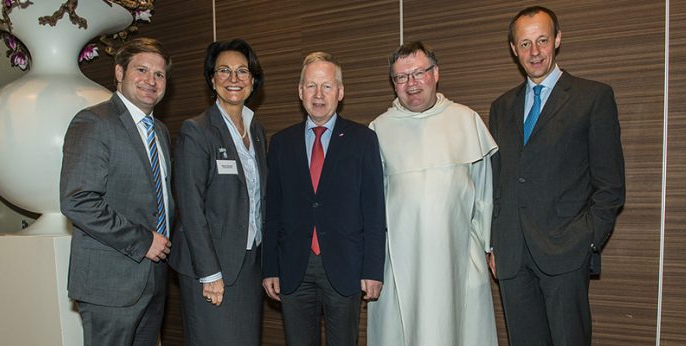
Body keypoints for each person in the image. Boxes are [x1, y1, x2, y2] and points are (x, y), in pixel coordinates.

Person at [488, 6, 626, 346]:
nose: (534, 52)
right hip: (512, 256)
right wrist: (494, 243)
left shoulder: (592, 97)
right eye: (524, 44)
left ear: (558, 40)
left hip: (566, 252)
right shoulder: (501, 106)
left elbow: (610, 186)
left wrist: (588, 239)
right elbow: (496, 181)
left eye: (542, 40)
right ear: (513, 49)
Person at [366, 41, 499, 346]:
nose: (411, 84)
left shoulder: (465, 119)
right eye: (401, 77)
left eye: (418, 73)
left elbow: (484, 194)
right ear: (393, 83)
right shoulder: (379, 129)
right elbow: (371, 206)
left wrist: (486, 246)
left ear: (436, 73)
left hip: (459, 260)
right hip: (400, 264)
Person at [262, 52, 386, 346]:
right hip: (294, 267)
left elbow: (374, 209)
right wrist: (270, 267)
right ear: (300, 91)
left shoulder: (363, 139)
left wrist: (373, 269)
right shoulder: (281, 142)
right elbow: (272, 209)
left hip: (345, 266)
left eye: (327, 86)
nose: (319, 95)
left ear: (340, 92)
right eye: (311, 86)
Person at [60, 37, 173, 345]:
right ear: (120, 73)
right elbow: (78, 200)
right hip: (109, 284)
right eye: (142, 70)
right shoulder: (94, 122)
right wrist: (143, 240)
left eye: (159, 74)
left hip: (153, 278)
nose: (151, 80)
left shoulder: (159, 131)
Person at [167, 39, 266, 345]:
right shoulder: (196, 131)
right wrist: (209, 273)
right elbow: (191, 208)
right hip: (211, 266)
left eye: (242, 71)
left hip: (248, 261)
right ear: (212, 79)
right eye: (224, 70)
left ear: (253, 80)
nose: (233, 79)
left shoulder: (256, 129)